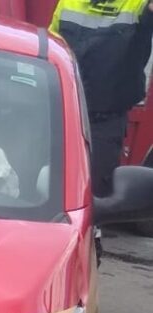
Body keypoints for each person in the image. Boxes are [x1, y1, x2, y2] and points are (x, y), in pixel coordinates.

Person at [50, 0, 153, 261]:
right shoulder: (70, 2)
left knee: (89, 205)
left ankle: (81, 266)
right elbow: (51, 49)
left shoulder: (138, 5)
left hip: (103, 124)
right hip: (59, 115)